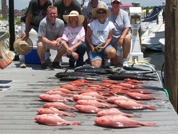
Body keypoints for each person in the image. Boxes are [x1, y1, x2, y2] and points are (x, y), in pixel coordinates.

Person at [19, 0, 52, 68]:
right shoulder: (33, 2)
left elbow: (46, 18)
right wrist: (26, 31)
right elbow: (28, 16)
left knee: (46, 37)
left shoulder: (49, 3)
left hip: (39, 23)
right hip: (27, 22)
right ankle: (22, 60)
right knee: (23, 37)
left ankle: (47, 58)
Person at [82, 0, 108, 64]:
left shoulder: (103, 5)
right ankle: (90, 58)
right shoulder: (85, 6)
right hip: (90, 27)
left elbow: (106, 19)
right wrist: (85, 32)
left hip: (101, 27)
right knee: (88, 42)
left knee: (101, 42)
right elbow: (84, 20)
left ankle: (103, 58)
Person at [108, 0, 131, 67]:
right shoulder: (108, 13)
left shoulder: (124, 13)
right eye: (114, 3)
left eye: (117, 3)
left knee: (127, 38)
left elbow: (127, 27)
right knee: (115, 63)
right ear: (111, 4)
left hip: (121, 39)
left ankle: (125, 59)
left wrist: (121, 37)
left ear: (120, 4)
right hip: (111, 40)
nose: (116, 4)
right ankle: (106, 58)